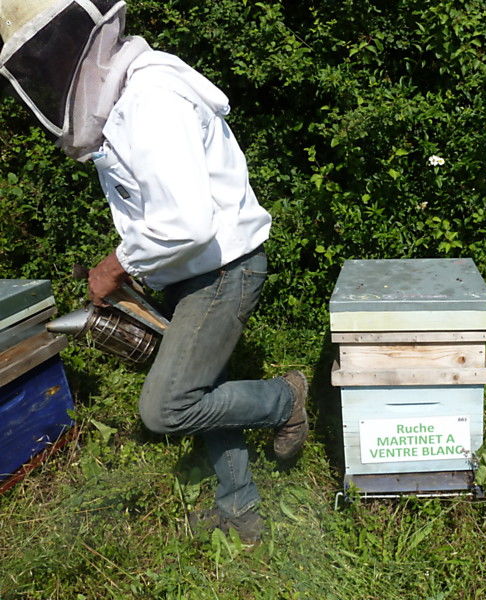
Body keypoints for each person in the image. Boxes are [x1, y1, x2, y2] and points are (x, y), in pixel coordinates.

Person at [0, 0, 308, 543]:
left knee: (167, 408)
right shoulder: (131, 96)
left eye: (43, 60)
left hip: (220, 271)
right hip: (196, 270)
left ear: (71, 45)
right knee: (201, 387)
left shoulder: (150, 102)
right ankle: (239, 508)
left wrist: (114, 265)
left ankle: (286, 399)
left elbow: (186, 222)